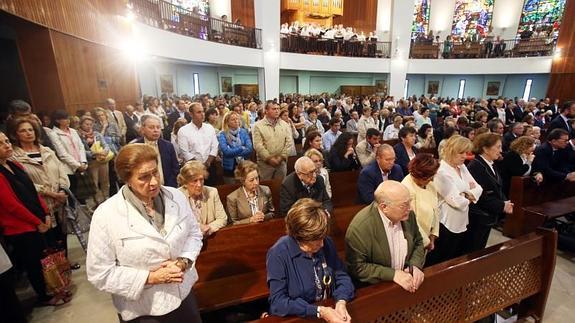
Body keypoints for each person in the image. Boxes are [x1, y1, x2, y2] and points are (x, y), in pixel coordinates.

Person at [86, 144, 203, 322]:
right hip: (143, 308)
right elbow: (99, 272)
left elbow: (194, 234)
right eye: (143, 177)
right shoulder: (106, 215)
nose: (154, 182)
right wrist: (151, 277)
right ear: (127, 179)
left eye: (155, 173)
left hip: (182, 295)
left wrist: (182, 262)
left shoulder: (176, 197)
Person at [0, 131, 64, 306]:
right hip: (20, 227)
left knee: (48, 259)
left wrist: (46, 214)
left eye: (6, 140)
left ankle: (56, 287)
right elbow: (11, 205)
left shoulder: (14, 165)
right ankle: (44, 296)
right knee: (34, 264)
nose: (6, 145)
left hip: (39, 220)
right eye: (1, 143)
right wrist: (38, 222)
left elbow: (34, 193)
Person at [266, 198, 354, 320]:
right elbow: (278, 303)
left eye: (323, 238)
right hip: (298, 318)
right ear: (300, 236)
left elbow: (342, 277)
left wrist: (341, 301)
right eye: (316, 240)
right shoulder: (279, 254)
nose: (322, 244)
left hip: (330, 311)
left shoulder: (326, 243)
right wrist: (318, 311)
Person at [345, 181, 425, 292]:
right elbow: (358, 267)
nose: (410, 208)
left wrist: (415, 265)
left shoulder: (408, 215)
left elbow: (418, 241)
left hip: (407, 285)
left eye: (409, 202)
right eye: (404, 205)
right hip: (376, 291)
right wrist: (393, 275)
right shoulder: (360, 228)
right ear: (384, 207)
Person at [426, 135, 482, 266]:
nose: (464, 156)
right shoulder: (441, 171)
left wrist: (465, 194)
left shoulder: (461, 167)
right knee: (441, 258)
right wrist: (469, 194)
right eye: (461, 153)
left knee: (455, 256)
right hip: (446, 222)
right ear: (451, 151)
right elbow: (456, 201)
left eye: (466, 153)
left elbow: (479, 188)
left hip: (462, 219)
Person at [466, 133, 513, 253]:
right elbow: (480, 195)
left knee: (480, 247)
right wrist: (502, 205)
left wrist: (504, 201)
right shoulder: (476, 166)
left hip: (489, 215)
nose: (501, 150)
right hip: (478, 217)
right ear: (485, 149)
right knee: (473, 249)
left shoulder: (490, 163)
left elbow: (497, 187)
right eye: (498, 147)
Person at [401, 154, 440, 253]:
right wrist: (426, 242)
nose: (431, 180)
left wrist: (433, 235)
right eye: (428, 177)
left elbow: (436, 210)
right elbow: (411, 221)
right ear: (419, 175)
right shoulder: (406, 189)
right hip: (414, 240)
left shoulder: (430, 184)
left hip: (428, 237)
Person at [177, 160, 228, 236]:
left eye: (201, 180)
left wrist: (208, 228)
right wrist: (198, 228)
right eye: (195, 181)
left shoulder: (212, 192)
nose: (199, 184)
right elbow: (178, 224)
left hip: (210, 239)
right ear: (185, 183)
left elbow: (222, 218)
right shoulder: (177, 196)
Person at [178, 102, 219, 185]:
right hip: (193, 168)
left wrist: (208, 162)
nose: (202, 114)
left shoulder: (209, 128)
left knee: (211, 192)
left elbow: (215, 146)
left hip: (209, 166)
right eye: (199, 112)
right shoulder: (183, 131)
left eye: (203, 111)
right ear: (191, 114)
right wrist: (200, 166)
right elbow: (185, 152)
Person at [134, 115, 180, 188]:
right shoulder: (135, 147)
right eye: (151, 127)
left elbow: (175, 168)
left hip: (167, 188)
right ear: (142, 129)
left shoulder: (168, 146)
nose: (156, 130)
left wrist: (171, 185)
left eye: (158, 127)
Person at [50, 109, 88, 196]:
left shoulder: (73, 131)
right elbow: (62, 154)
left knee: (85, 193)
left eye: (68, 118)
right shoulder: (54, 134)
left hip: (81, 164)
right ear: (57, 120)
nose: (68, 120)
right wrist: (77, 165)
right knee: (74, 192)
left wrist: (83, 162)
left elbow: (81, 146)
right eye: (65, 119)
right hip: (68, 167)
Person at [253, 101, 293, 180]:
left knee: (281, 187)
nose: (277, 111)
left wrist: (281, 157)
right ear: (266, 111)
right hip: (265, 164)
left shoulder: (284, 124)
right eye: (274, 109)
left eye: (278, 109)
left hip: (281, 163)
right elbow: (258, 145)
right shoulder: (258, 126)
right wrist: (269, 158)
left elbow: (289, 143)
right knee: (266, 188)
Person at [227, 160, 275, 225]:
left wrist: (264, 216)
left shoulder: (265, 190)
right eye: (251, 180)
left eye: (257, 178)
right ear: (243, 181)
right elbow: (232, 223)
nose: (256, 183)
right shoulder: (232, 198)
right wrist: (250, 220)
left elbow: (272, 213)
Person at [78, 115, 111, 203]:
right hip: (92, 162)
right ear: (81, 124)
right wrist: (94, 153)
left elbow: (106, 145)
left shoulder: (97, 134)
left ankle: (107, 197)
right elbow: (81, 151)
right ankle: (98, 201)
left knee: (105, 181)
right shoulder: (79, 136)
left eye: (90, 124)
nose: (89, 126)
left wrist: (105, 152)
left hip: (103, 160)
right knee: (95, 183)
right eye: (86, 124)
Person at [218, 111, 253, 184]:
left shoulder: (243, 132)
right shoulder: (222, 134)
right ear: (227, 122)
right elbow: (226, 152)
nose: (236, 121)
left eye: (237, 119)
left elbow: (249, 149)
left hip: (244, 166)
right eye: (233, 119)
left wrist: (233, 151)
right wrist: (241, 148)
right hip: (229, 168)